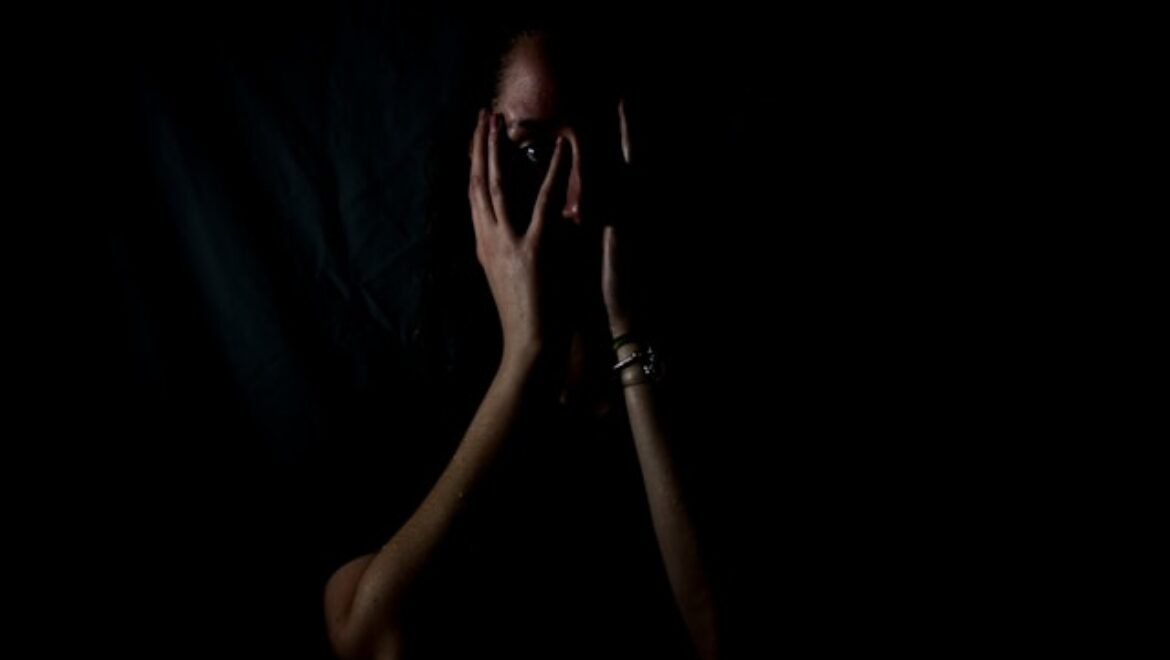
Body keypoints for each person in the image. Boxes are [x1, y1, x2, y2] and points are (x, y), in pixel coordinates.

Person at [323, 21, 718, 660]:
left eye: (597, 143)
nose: (577, 200)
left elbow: (715, 635)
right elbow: (366, 635)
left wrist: (626, 330)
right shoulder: (421, 391)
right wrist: (524, 360)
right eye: (535, 152)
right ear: (477, 166)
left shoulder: (693, 370)